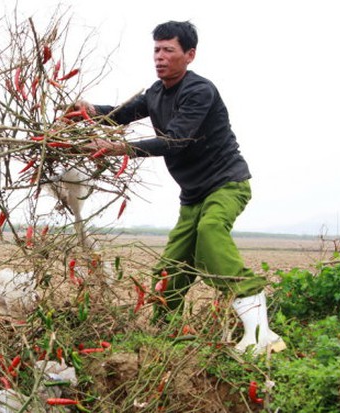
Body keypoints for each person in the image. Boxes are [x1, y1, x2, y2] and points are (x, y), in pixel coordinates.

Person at [76, 20, 285, 355]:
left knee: (212, 234)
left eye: (168, 50)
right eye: (156, 50)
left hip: (226, 184)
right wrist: (87, 112)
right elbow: (121, 114)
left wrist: (120, 149)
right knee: (170, 269)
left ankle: (260, 332)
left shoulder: (199, 91)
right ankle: (165, 337)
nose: (159, 57)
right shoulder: (155, 93)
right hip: (192, 196)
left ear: (189, 55)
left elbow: (176, 140)